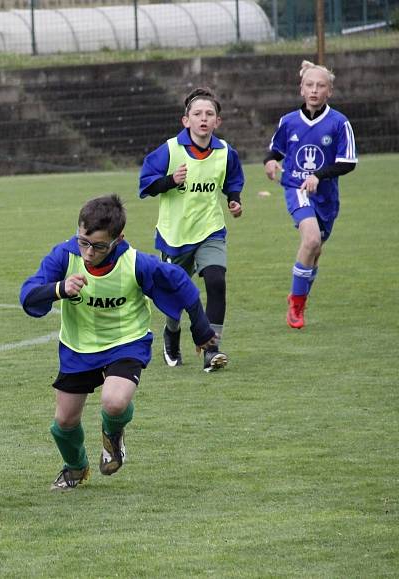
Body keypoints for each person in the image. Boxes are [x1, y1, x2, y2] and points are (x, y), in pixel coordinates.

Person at [20, 194, 219, 490]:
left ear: (118, 239)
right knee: (64, 422)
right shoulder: (64, 255)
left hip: (126, 343)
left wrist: (202, 331)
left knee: (113, 403)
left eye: (99, 246)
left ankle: (113, 436)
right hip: (78, 347)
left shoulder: (136, 262)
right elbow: (28, 296)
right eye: (83, 241)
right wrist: (59, 288)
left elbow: (180, 283)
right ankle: (76, 467)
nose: (88, 253)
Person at [138, 87, 244, 372]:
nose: (203, 119)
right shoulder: (171, 150)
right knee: (176, 299)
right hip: (175, 238)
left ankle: (212, 350)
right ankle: (171, 334)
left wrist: (234, 200)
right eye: (197, 114)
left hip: (211, 230)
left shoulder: (225, 152)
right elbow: (147, 184)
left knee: (216, 281)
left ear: (217, 122)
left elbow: (232, 180)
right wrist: (171, 180)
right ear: (186, 120)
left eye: (209, 114)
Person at [264, 60, 357, 329]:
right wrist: (270, 162)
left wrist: (320, 175)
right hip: (296, 187)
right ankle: (296, 304)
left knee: (315, 250)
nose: (314, 90)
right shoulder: (289, 121)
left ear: (329, 91)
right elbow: (275, 151)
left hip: (326, 196)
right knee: (311, 239)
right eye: (309, 85)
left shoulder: (339, 123)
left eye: (320, 86)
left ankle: (300, 294)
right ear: (301, 89)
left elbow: (348, 161)